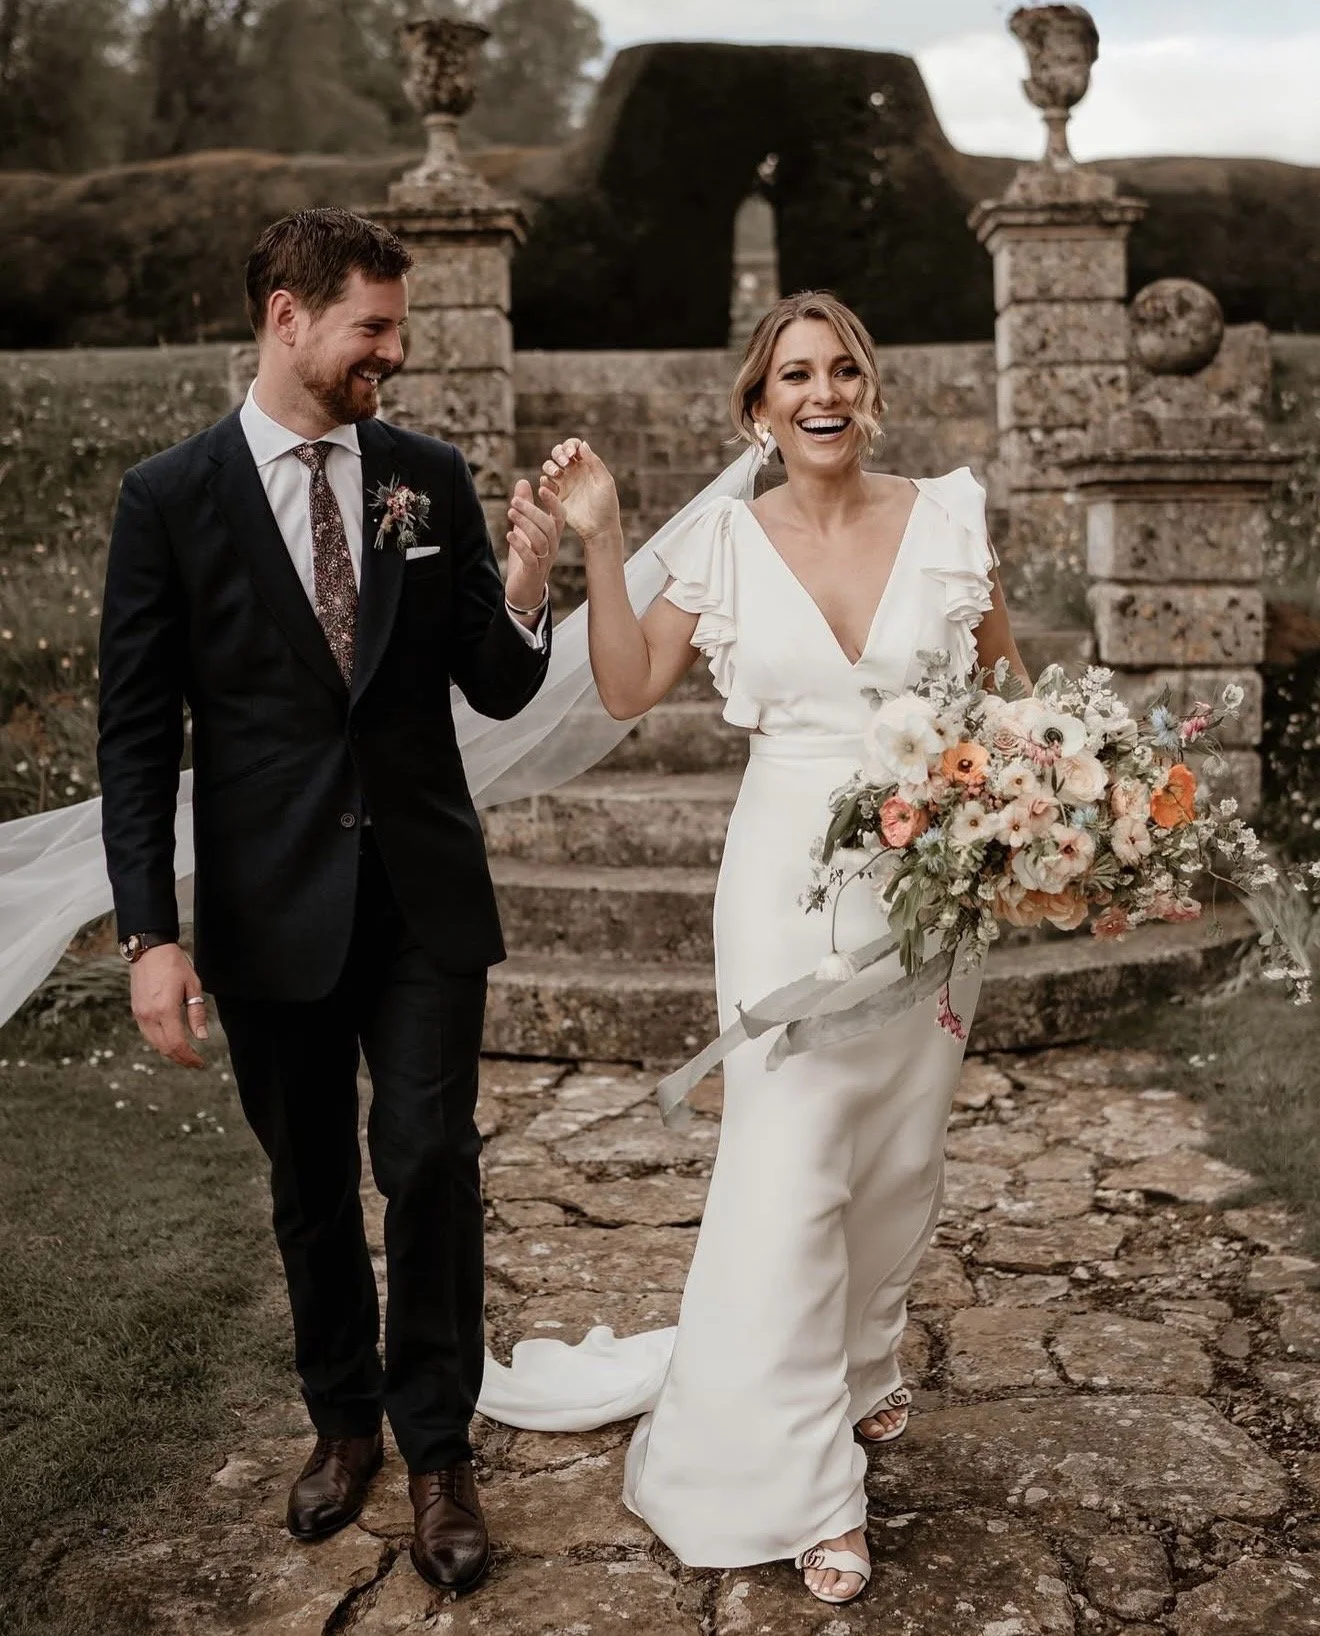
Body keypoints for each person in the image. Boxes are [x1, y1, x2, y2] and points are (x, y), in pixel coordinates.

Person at [485, 291, 1030, 1606]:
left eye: (843, 368)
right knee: (788, 1174)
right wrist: (607, 544)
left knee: (901, 1156)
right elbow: (623, 689)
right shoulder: (724, 542)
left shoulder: (946, 519)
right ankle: (799, 1484)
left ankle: (860, 1365)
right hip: (784, 886)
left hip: (931, 882)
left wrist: (1048, 804)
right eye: (794, 375)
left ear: (871, 388)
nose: (822, 392)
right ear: (757, 405)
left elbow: (1010, 687)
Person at [96, 207, 561, 1597]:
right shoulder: (169, 500)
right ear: (286, 317)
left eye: (399, 329)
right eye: (372, 326)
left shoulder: (426, 475)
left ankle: (438, 1451)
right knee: (308, 1186)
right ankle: (343, 1423)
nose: (392, 355)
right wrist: (149, 934)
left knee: (428, 1163)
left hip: (421, 890)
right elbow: (135, 735)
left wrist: (528, 586)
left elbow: (495, 681)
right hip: (265, 906)